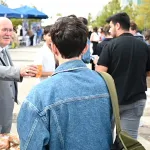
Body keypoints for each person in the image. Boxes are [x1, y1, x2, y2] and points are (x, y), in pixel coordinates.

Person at [17, 15, 112, 150]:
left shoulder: (40, 95)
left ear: (54, 48)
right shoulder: (106, 84)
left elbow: (30, 145)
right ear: (85, 48)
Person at [0, 17, 38, 134]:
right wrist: (18, 71)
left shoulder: (3, 48)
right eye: (5, 30)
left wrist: (25, 70)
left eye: (10, 30)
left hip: (4, 107)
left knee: (4, 142)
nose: (9, 34)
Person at [96, 12, 150, 139]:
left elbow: (100, 73)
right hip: (136, 98)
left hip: (112, 100)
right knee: (128, 141)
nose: (110, 29)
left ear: (118, 26)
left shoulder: (111, 46)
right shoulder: (144, 46)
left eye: (111, 26)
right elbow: (148, 71)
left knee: (106, 138)